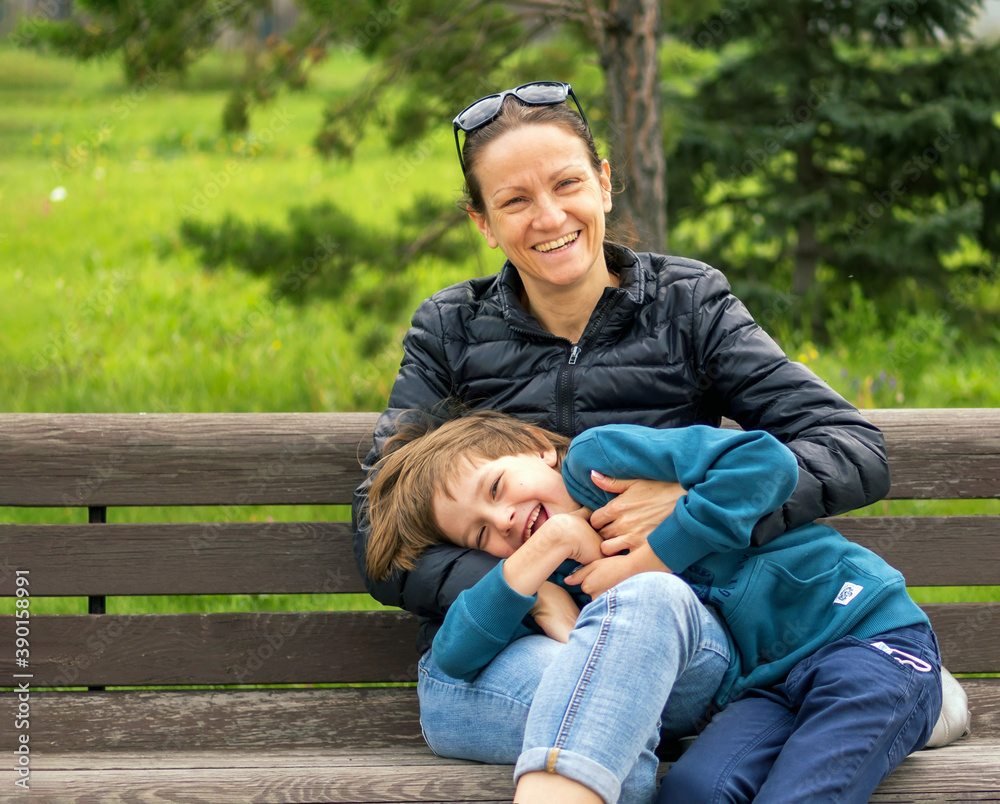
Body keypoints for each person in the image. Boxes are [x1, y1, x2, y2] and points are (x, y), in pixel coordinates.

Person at [349, 80, 961, 802]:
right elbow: (380, 530)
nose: (548, 217)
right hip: (506, 652)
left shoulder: (686, 303)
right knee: (498, 698)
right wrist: (529, 581)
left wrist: (686, 512)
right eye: (513, 201)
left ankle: (870, 684)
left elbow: (851, 447)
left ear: (604, 184)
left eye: (567, 184)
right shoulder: (450, 329)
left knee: (633, 635)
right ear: (483, 223)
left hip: (675, 630)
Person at [364, 409, 943, 803]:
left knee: (805, 788)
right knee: (695, 791)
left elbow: (766, 463)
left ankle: (921, 697)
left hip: (864, 635)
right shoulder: (562, 568)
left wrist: (654, 555)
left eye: (495, 490)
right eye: (479, 534)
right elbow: (456, 655)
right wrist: (543, 553)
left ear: (535, 451)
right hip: (766, 682)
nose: (504, 519)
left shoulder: (602, 460)